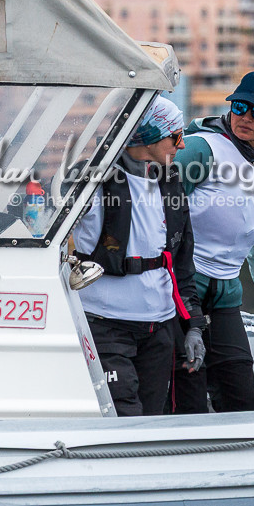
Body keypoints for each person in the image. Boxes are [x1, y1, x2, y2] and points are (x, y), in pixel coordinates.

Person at [70, 96, 206, 416]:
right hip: (105, 326)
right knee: (124, 421)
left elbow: (181, 264)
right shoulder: (94, 181)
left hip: (157, 330)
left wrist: (194, 327)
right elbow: (46, 227)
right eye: (175, 136)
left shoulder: (170, 183)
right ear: (150, 135)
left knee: (152, 422)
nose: (182, 145)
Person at [169, 71, 254, 413]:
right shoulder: (201, 149)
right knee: (187, 400)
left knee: (242, 399)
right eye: (239, 106)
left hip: (225, 295)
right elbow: (157, 215)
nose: (246, 118)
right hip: (181, 289)